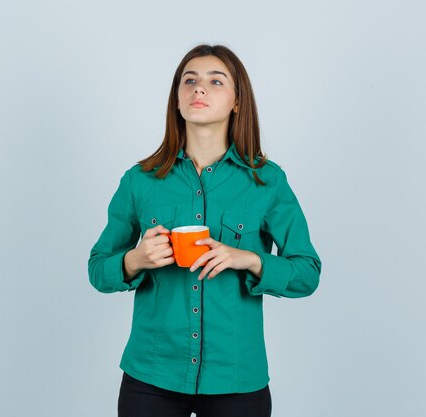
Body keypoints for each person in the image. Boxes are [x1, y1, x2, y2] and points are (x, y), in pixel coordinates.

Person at [88, 44, 322, 417]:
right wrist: (135, 259)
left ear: (236, 102)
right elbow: (98, 269)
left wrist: (250, 260)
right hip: (152, 375)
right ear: (177, 99)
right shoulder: (140, 181)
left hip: (237, 378)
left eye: (216, 81)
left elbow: (307, 273)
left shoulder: (266, 181)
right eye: (190, 80)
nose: (199, 89)